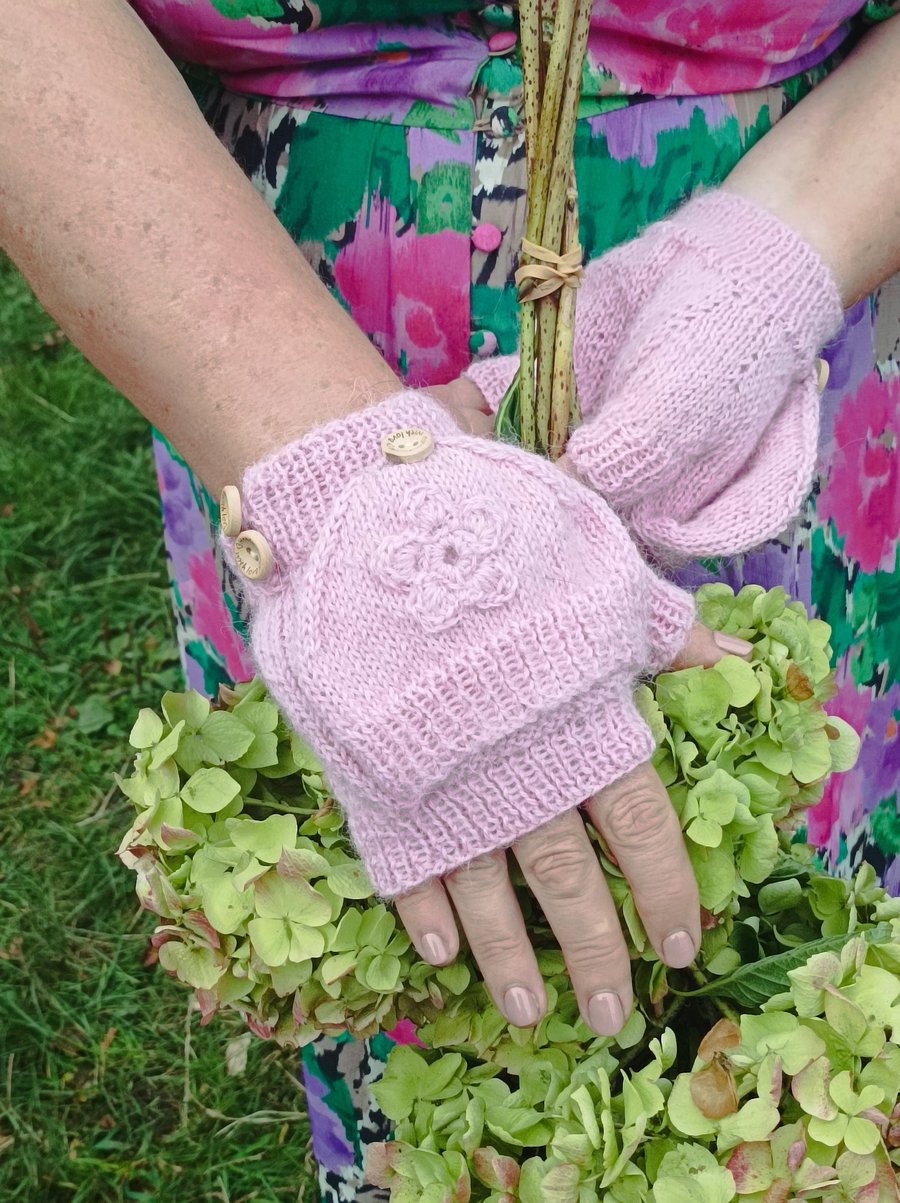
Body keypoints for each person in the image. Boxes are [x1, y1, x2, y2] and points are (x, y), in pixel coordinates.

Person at [2, 1, 898, 1197]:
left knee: (780, 956)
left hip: (779, 304)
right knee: (430, 1006)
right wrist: (345, 493)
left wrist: (775, 263)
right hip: (253, 335)